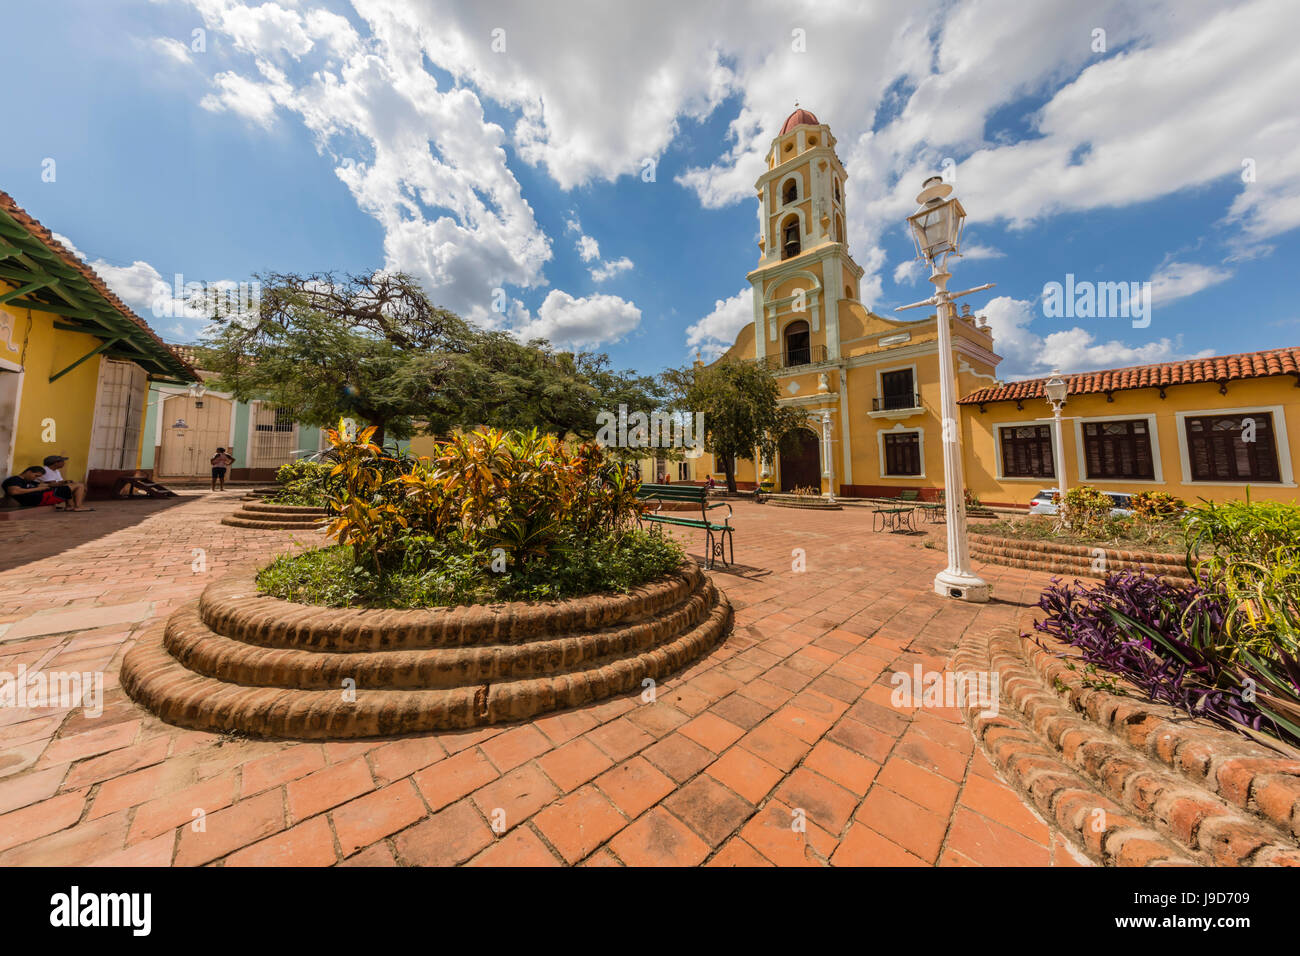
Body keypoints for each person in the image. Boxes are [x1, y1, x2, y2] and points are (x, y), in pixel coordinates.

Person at [3, 465, 90, 511]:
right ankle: (79, 506)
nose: (35, 478)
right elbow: (14, 491)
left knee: (70, 486)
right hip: (40, 498)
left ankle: (70, 506)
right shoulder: (14, 479)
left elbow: (44, 485)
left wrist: (61, 483)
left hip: (43, 496)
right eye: (35, 475)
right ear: (28, 472)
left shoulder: (29, 481)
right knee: (79, 485)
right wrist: (38, 489)